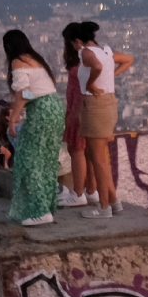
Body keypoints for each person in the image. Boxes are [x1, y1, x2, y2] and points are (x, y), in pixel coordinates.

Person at [2, 30, 63, 227]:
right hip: (54, 107)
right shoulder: (35, 60)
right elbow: (31, 91)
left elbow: (24, 93)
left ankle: (40, 211)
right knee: (46, 160)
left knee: (29, 161)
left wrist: (13, 118)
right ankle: (46, 206)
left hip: (41, 111)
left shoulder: (18, 61)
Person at [76, 21, 134, 219]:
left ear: (77, 40)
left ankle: (104, 208)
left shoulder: (85, 52)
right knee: (97, 157)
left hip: (95, 105)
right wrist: (111, 75)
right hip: (109, 104)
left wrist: (91, 83)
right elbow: (128, 60)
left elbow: (97, 66)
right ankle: (113, 202)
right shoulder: (107, 52)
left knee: (98, 160)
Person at [59, 23, 93, 207]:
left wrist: (75, 113)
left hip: (79, 109)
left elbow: (83, 87)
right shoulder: (87, 56)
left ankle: (79, 193)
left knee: (77, 150)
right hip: (79, 108)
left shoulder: (85, 57)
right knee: (85, 151)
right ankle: (90, 191)